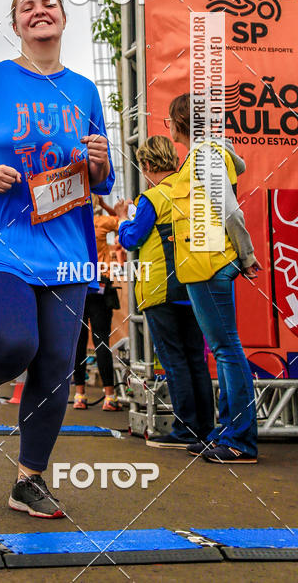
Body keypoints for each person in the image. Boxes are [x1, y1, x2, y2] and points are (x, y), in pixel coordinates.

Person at [0, 0, 114, 518]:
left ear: (62, 18)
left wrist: (101, 160)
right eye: (27, 6)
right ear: (16, 24)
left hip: (66, 251)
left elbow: (99, 179)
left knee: (57, 365)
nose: (40, 10)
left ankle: (29, 479)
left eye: (49, 3)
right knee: (13, 342)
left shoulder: (83, 91)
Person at [167, 93, 260, 463]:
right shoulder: (201, 156)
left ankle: (239, 439)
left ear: (182, 122)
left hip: (210, 266)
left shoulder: (204, 156)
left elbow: (231, 213)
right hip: (204, 267)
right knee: (223, 351)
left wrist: (247, 254)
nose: (167, 125)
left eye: (170, 119)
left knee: (226, 350)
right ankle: (228, 433)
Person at [115, 135, 214, 448]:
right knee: (195, 359)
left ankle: (185, 430)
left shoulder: (152, 198)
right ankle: (205, 429)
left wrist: (121, 219)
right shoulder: (191, 191)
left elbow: (131, 238)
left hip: (161, 289)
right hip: (195, 285)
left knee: (175, 361)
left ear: (146, 164)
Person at [72, 196, 122, 411]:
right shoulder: (100, 223)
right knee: (102, 343)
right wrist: (106, 206)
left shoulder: (73, 226)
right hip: (100, 285)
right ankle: (109, 396)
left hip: (77, 286)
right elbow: (123, 222)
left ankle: (79, 394)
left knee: (79, 344)